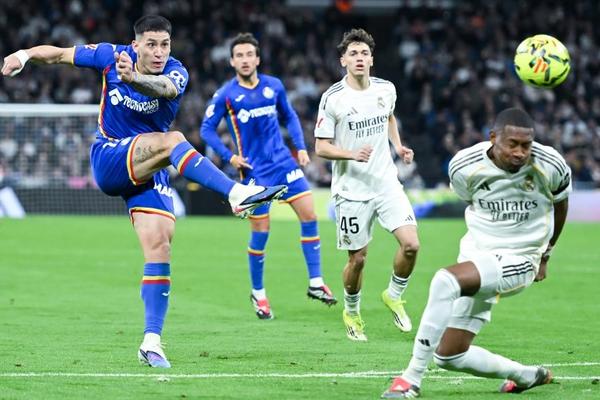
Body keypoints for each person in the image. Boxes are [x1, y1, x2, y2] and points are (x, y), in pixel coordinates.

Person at [1, 15, 287, 368]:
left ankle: (151, 342)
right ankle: (235, 193)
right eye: (151, 44)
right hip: (110, 157)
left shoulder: (177, 71)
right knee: (174, 140)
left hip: (149, 167)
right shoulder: (109, 55)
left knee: (160, 247)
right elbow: (59, 54)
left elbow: (165, 89)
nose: (159, 52)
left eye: (164, 45)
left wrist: (133, 78)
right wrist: (24, 55)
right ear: (135, 45)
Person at [382, 107, 570, 398]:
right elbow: (469, 198)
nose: (520, 153)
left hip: (520, 259)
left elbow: (561, 202)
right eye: (512, 144)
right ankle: (526, 375)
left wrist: (546, 254)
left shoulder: (550, 164)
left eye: (526, 145)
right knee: (449, 355)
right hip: (476, 257)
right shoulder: (464, 165)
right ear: (493, 138)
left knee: (445, 280)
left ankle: (410, 379)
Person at [200, 32, 337, 320]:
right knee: (261, 233)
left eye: (249, 54)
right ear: (231, 61)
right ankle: (258, 293)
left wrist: (301, 147)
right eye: (239, 55)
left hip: (284, 164)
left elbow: (290, 116)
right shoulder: (226, 94)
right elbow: (206, 130)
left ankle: (315, 282)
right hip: (255, 173)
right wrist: (229, 156)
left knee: (310, 216)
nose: (245, 59)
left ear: (258, 59)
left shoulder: (274, 86)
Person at [314, 28, 420, 341]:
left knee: (411, 245)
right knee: (357, 259)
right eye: (353, 54)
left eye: (364, 53)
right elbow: (321, 147)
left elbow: (388, 117)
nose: (359, 58)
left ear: (372, 59)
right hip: (351, 191)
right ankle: (351, 310)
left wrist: (398, 146)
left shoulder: (386, 89)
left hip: (386, 183)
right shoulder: (333, 98)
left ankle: (393, 295)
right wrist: (351, 154)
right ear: (343, 61)